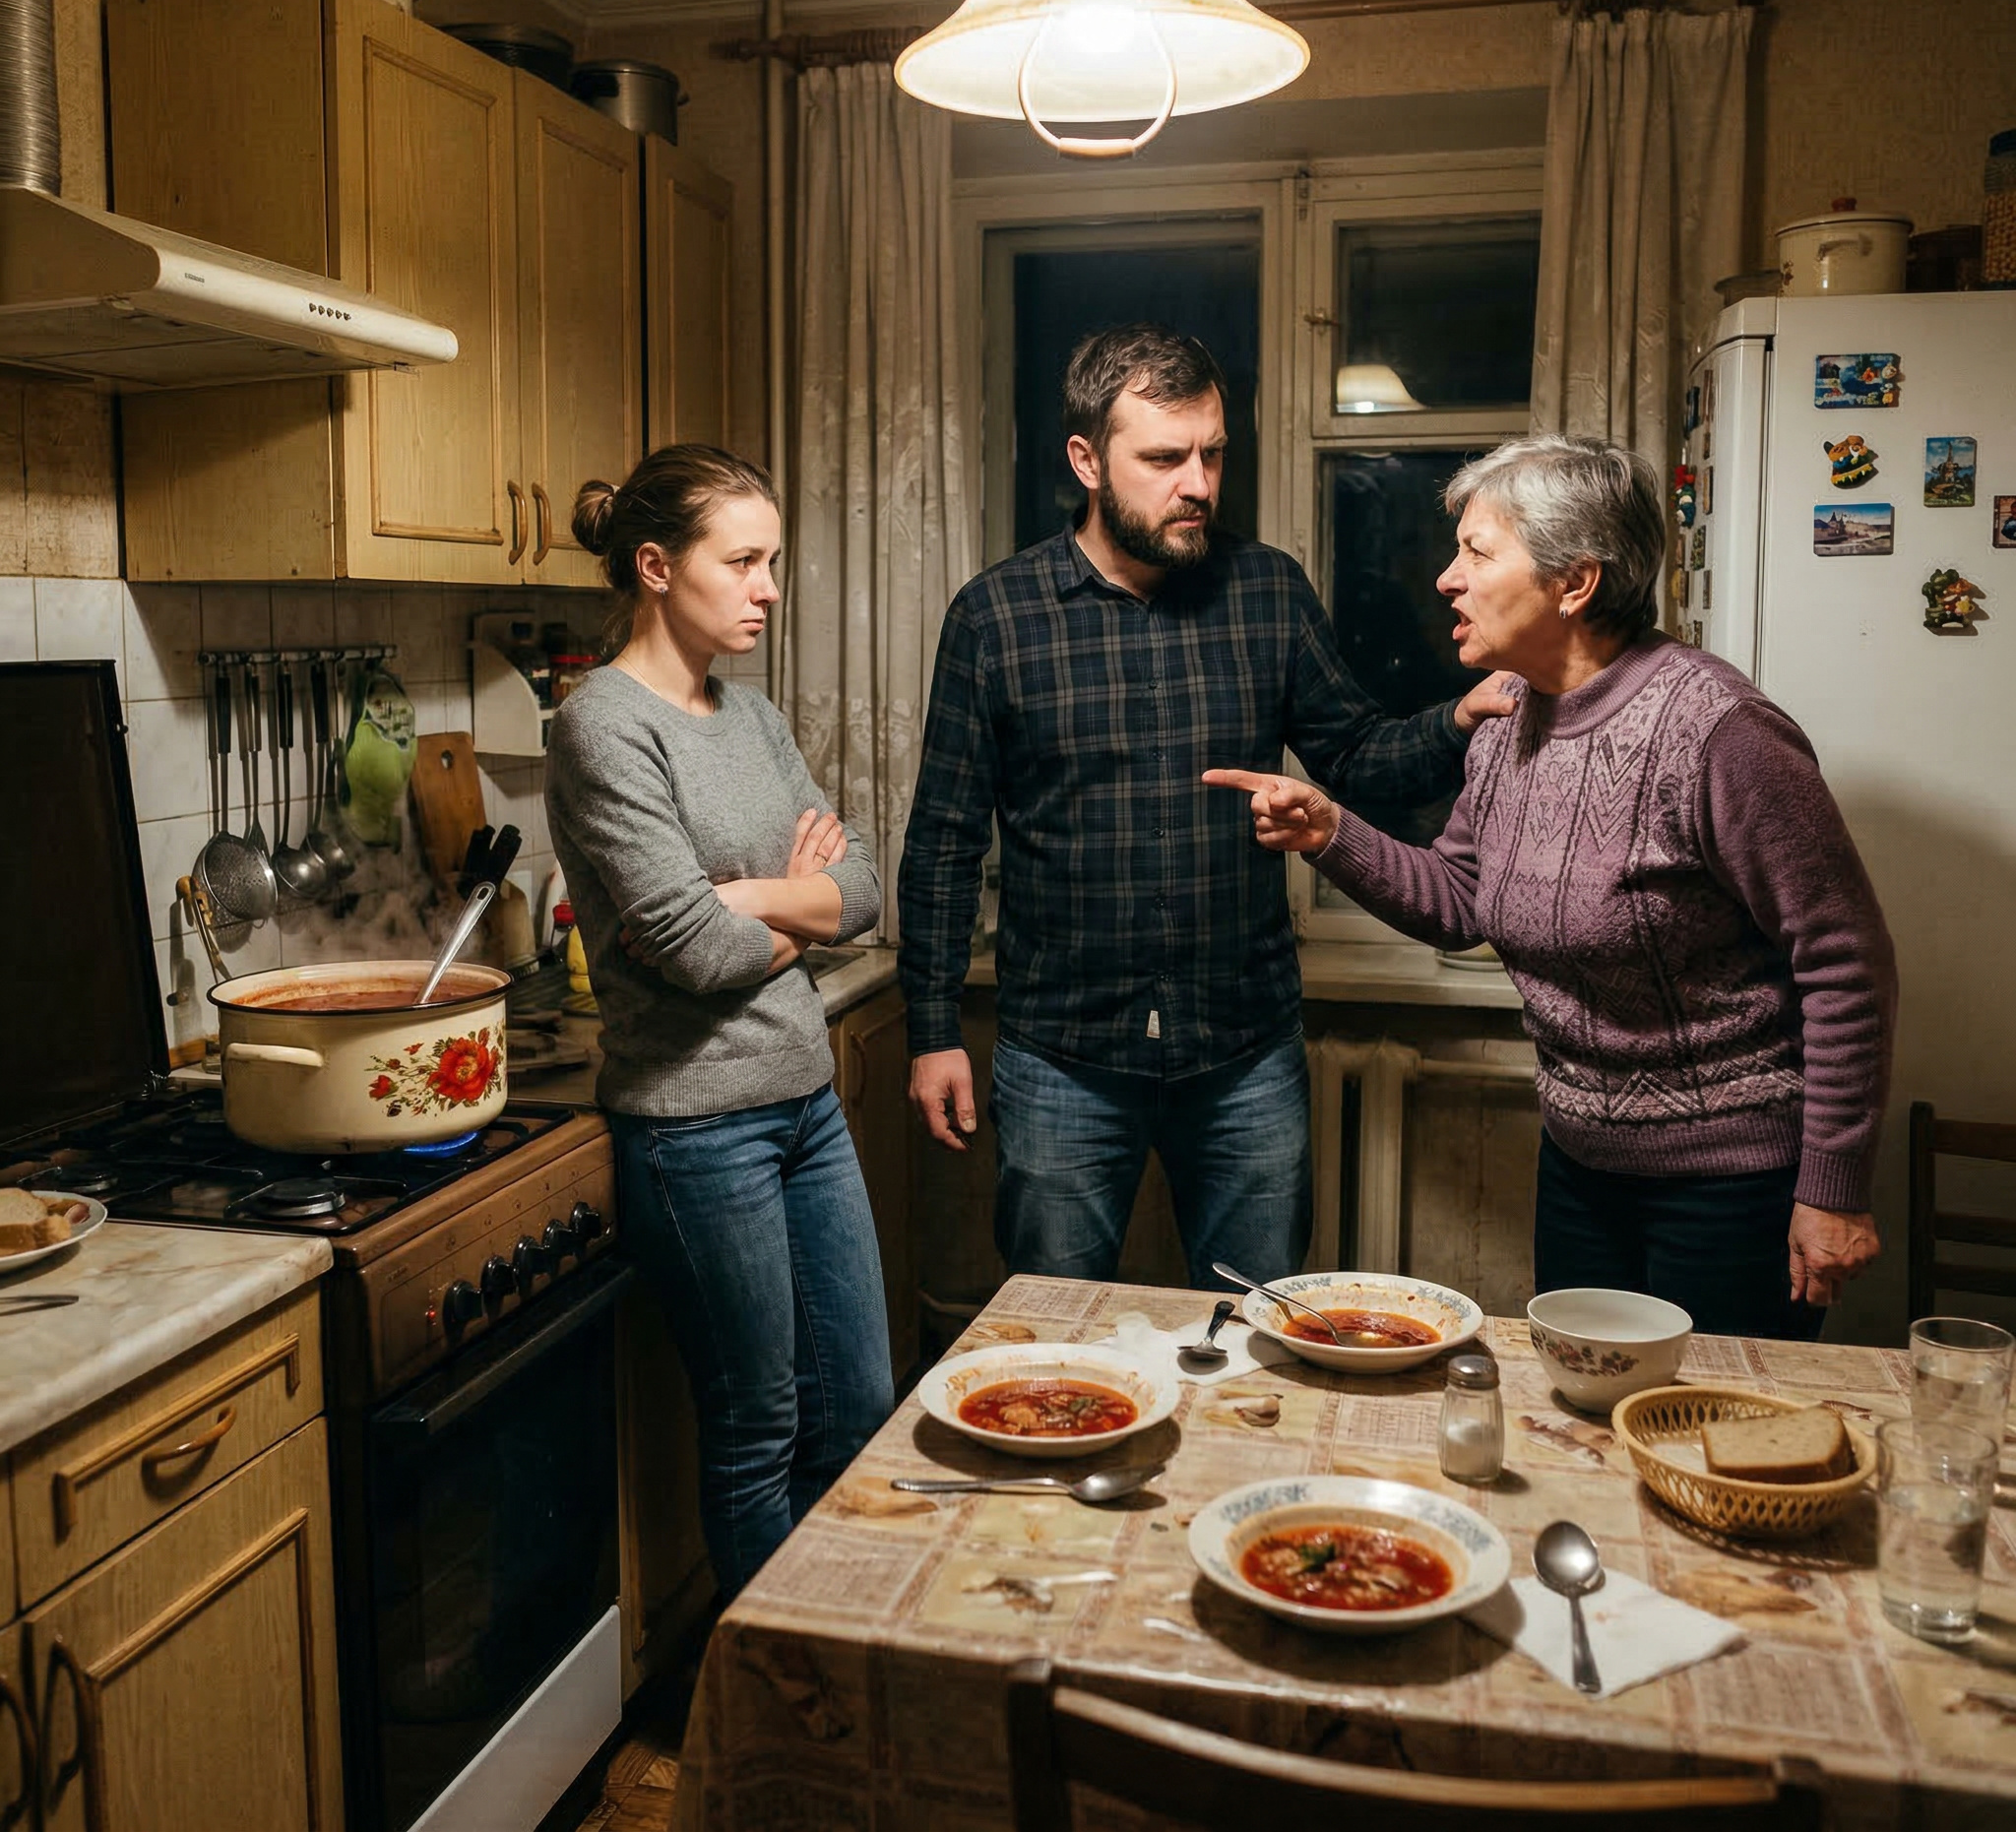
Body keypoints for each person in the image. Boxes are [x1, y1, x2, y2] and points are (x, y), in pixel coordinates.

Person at [1206, 433, 1896, 1339]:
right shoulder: (1508, 719)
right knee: (1585, 1431)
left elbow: (1845, 961)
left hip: (1732, 1185)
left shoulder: (1717, 729)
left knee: (1712, 1445)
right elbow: (1461, 900)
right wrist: (1332, 834)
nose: (1447, 578)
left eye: (1477, 553)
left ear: (1575, 583)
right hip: (1580, 1168)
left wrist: (1833, 1190)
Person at [899, 324, 1514, 1290]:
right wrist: (931, 1027)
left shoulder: (1267, 590)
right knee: (1055, 1337)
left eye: (1211, 452)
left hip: (1242, 1055)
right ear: (1086, 461)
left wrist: (1456, 718)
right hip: (1060, 1055)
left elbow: (1355, 754)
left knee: (1257, 1329)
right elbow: (940, 841)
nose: (1197, 481)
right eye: (1163, 457)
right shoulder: (994, 617)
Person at [545, 444, 892, 1597]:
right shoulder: (600, 723)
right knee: (759, 1427)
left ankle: (836, 1659)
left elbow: (866, 889)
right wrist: (785, 911)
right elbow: (691, 951)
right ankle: (775, 1713)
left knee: (859, 1409)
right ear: (655, 565)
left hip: (804, 1101)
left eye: (771, 561)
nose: (768, 587)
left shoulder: (751, 717)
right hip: (695, 1131)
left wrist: (739, 902)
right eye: (742, 560)